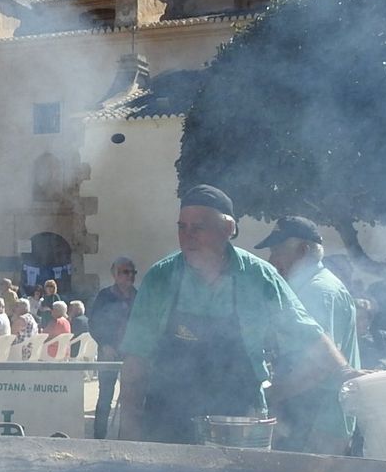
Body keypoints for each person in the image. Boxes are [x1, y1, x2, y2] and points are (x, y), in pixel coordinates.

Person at [118, 186, 355, 444]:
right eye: (182, 227)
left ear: (228, 229)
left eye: (199, 228)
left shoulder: (258, 276)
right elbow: (136, 360)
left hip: (240, 422)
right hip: (167, 420)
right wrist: (129, 430)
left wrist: (346, 373)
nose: (188, 237)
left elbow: (311, 338)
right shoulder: (160, 278)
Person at [256, 217, 361, 455]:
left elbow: (318, 365)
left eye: (277, 252)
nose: (271, 261)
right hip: (311, 418)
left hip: (319, 422)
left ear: (303, 250)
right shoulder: (310, 286)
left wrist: (270, 397)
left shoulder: (317, 291)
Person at [89, 257, 138, 439]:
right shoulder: (105, 296)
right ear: (115, 274)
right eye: (125, 272)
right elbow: (93, 323)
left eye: (133, 272)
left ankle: (125, 438)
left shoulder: (137, 296)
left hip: (131, 354)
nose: (130, 276)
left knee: (130, 397)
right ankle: (99, 438)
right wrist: (105, 344)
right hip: (108, 353)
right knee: (105, 397)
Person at [355, 298, 386, 370]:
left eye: (367, 318)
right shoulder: (345, 341)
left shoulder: (379, 336)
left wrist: (384, 364)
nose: (365, 322)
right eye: (360, 318)